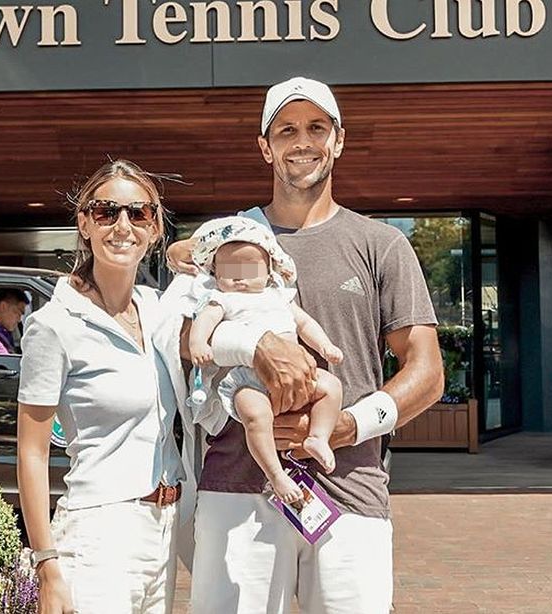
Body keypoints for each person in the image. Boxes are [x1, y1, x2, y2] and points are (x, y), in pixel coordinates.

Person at [168, 77, 445, 613]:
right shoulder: (225, 238)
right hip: (237, 485)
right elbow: (178, 337)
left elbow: (427, 371)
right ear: (264, 146)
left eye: (317, 127)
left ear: (338, 139)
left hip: (350, 489)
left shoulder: (380, 244)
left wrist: (348, 426)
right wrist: (252, 343)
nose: (303, 142)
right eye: (287, 129)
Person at [17, 159, 192, 614]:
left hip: (166, 526)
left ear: (155, 228)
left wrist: (180, 252)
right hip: (101, 535)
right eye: (105, 212)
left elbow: (227, 259)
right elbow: (32, 454)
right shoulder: (53, 325)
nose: (122, 226)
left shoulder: (157, 309)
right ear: (84, 223)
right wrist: (47, 566)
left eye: (139, 214)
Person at [187, 216, 343, 504]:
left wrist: (325, 345)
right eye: (229, 270)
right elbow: (203, 324)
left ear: (270, 270)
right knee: (254, 415)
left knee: (332, 386)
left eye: (248, 268)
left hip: (300, 374)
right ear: (215, 272)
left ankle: (318, 437)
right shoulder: (222, 299)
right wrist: (197, 343)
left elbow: (305, 324)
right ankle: (275, 474)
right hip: (248, 379)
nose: (238, 277)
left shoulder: (280, 298)